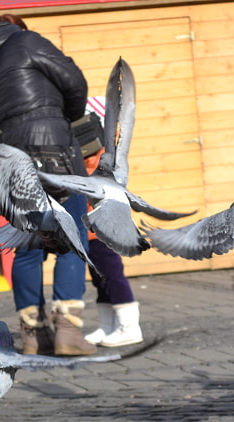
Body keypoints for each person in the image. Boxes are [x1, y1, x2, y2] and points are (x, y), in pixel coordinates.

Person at [0, 13, 96, 356]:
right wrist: (62, 117)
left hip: (12, 162)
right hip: (56, 151)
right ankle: (68, 333)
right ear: (14, 27)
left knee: (29, 245)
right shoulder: (26, 41)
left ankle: (33, 336)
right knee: (73, 236)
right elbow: (75, 83)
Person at [74, 97, 143, 347]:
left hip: (104, 225)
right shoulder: (95, 150)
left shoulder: (101, 153)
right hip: (93, 226)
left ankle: (129, 326)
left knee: (112, 273)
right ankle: (108, 325)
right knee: (100, 276)